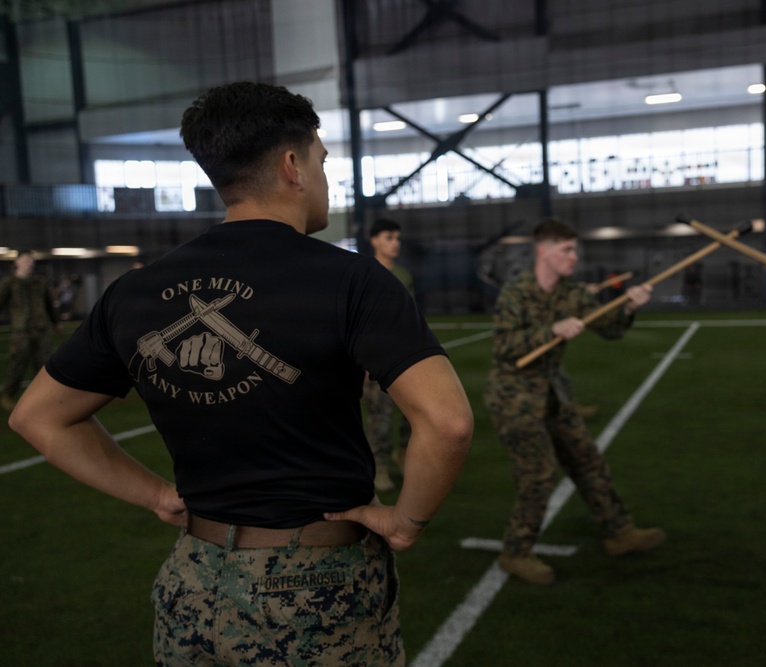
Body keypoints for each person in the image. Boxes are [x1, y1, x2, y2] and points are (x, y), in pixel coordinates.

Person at [9, 81, 474, 666]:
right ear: (291, 166)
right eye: (322, 161)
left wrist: (156, 493)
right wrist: (405, 521)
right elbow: (449, 422)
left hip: (191, 580)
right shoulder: (353, 280)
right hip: (316, 590)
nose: (324, 178)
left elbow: (37, 417)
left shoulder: (134, 292)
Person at [483, 217, 665, 585]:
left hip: (552, 394)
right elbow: (503, 347)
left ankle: (619, 532)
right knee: (537, 474)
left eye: (574, 249)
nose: (573, 256)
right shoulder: (516, 292)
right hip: (513, 397)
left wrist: (628, 308)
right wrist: (549, 330)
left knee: (587, 458)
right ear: (543, 251)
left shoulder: (573, 295)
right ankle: (515, 552)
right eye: (566, 249)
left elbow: (609, 328)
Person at [363, 218, 414, 493]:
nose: (395, 243)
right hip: (375, 360)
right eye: (388, 238)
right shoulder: (365, 273)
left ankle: (402, 454)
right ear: (374, 240)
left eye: (397, 238)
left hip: (404, 358)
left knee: (410, 414)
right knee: (379, 418)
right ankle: (378, 467)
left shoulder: (404, 276)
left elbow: (410, 318)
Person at [0, 250, 59, 411]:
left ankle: (40, 399)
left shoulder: (40, 282)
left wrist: (55, 322)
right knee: (18, 364)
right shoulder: (9, 283)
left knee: (43, 367)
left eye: (30, 261)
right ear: (17, 263)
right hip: (21, 332)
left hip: (41, 330)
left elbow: (49, 304)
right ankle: (8, 396)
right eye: (25, 260)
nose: (28, 263)